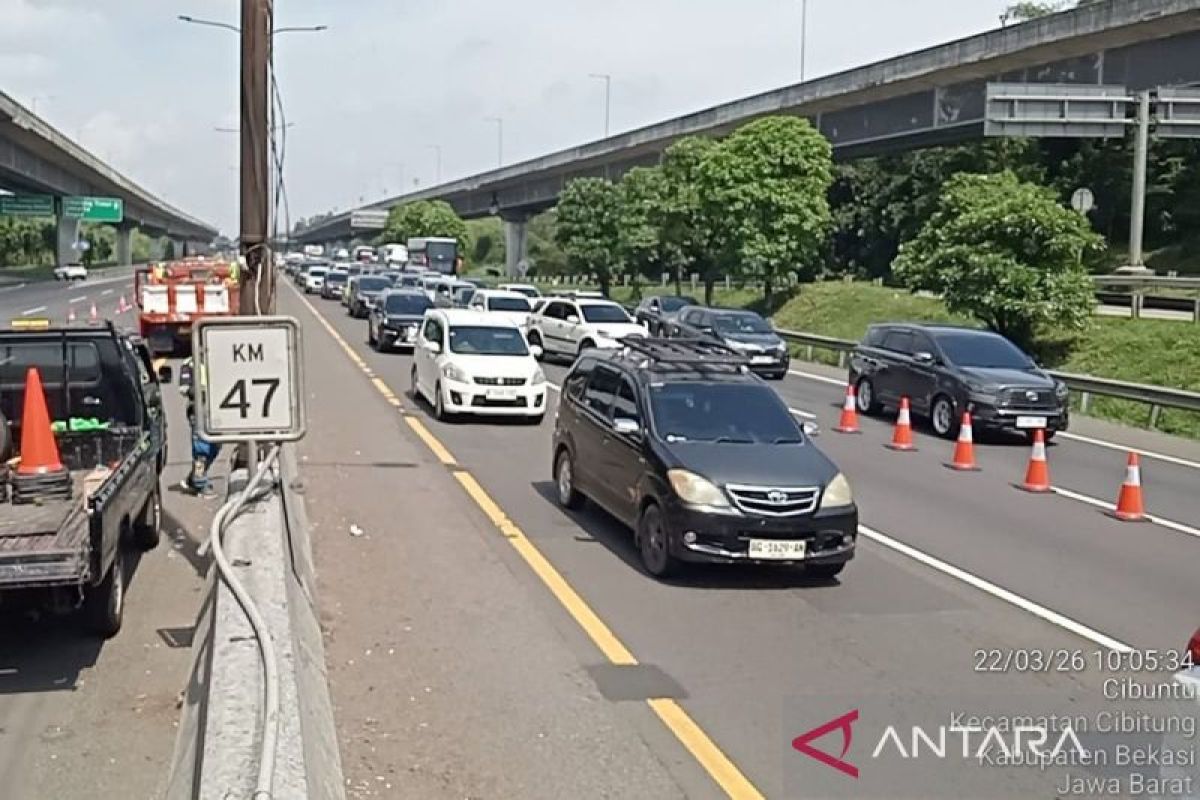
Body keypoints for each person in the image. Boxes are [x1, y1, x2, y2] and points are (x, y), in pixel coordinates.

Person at [178, 358, 222, 496]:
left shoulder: (217, 356)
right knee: (202, 449)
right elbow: (183, 388)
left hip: (217, 410)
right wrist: (202, 391)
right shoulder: (189, 364)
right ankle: (200, 483)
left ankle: (193, 479)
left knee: (216, 447)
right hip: (198, 411)